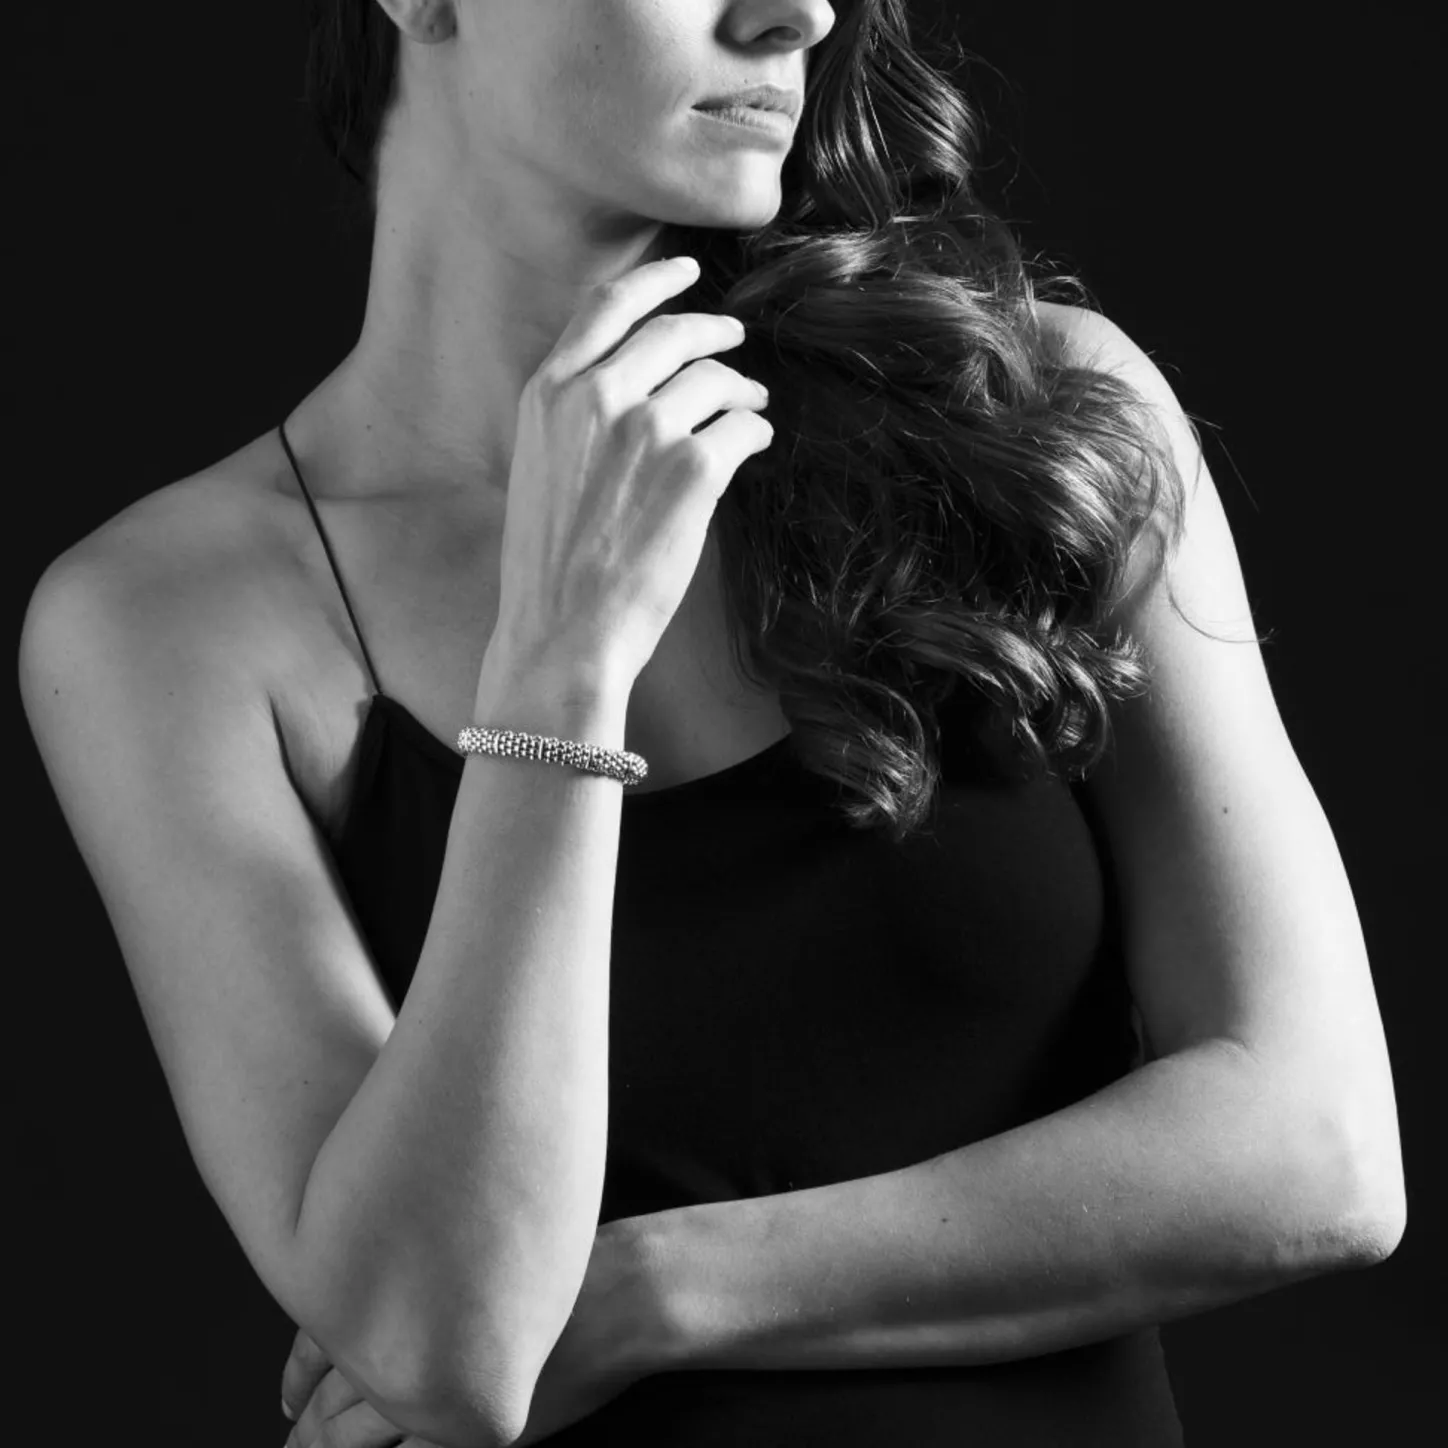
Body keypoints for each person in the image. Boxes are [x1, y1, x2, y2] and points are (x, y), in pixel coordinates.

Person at [18, 3, 1406, 1446]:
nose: (795, 10)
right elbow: (444, 1345)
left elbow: (1319, 1150)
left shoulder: (1030, 410)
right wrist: (560, 662)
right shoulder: (165, 620)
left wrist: (651, 1291)